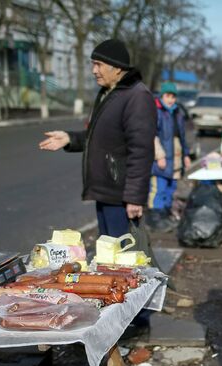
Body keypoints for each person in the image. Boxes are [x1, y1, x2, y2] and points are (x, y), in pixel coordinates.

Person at [39, 38, 155, 238]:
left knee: (121, 260)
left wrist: (135, 198)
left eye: (98, 64)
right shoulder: (109, 93)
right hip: (105, 192)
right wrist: (69, 138)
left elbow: (141, 151)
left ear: (117, 68)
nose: (94, 70)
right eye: (93, 64)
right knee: (108, 255)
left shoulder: (137, 96)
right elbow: (101, 136)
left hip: (121, 196)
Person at [147, 81, 191, 232]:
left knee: (170, 189)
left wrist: (186, 155)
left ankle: (165, 216)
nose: (171, 99)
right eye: (168, 96)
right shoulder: (156, 111)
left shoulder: (177, 112)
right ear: (162, 96)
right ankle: (154, 219)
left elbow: (182, 136)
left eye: (173, 96)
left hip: (176, 159)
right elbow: (151, 136)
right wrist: (159, 156)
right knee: (158, 189)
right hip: (161, 159)